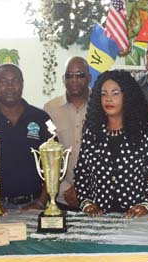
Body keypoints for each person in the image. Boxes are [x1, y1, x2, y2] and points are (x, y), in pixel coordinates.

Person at [75, 70, 148, 217]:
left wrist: (146, 205)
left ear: (127, 96)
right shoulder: (92, 132)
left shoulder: (143, 132)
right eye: (104, 94)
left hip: (136, 218)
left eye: (115, 93)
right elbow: (82, 173)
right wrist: (87, 203)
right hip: (99, 219)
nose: (108, 99)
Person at [0, 64, 53, 211]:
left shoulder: (41, 117)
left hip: (33, 205)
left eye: (15, 81)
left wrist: (41, 201)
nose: (9, 86)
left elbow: (53, 162)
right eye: (3, 81)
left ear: (22, 84)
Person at [43, 57, 90, 211]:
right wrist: (64, 189)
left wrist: (83, 189)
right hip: (62, 198)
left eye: (80, 75)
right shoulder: (50, 109)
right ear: (63, 79)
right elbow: (47, 156)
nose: (74, 79)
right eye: (69, 75)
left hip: (96, 198)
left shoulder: (102, 105)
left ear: (89, 77)